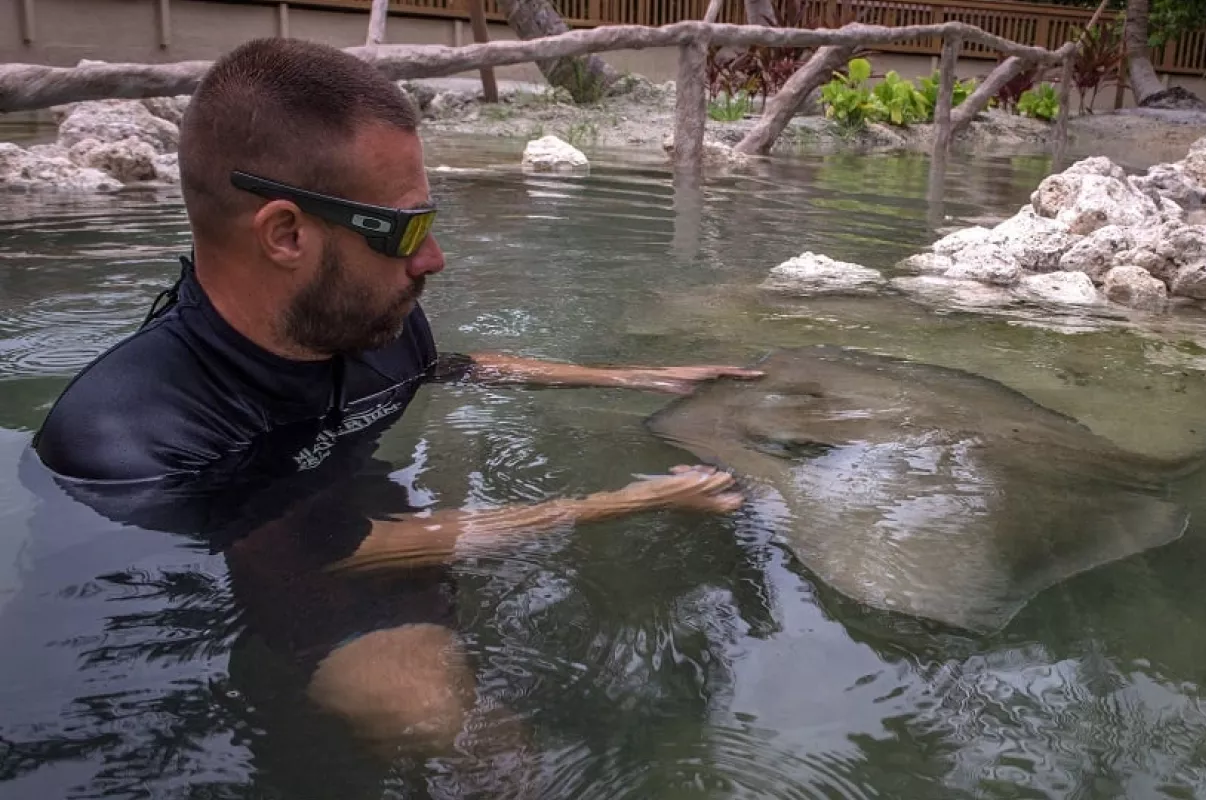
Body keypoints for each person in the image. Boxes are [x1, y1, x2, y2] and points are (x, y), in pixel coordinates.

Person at [28, 36, 761, 755]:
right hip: (282, 585)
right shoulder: (133, 438)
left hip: (363, 516)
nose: (434, 260)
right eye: (406, 229)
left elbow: (448, 368)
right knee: (456, 730)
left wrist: (633, 380)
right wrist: (635, 500)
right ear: (285, 234)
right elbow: (333, 554)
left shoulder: (369, 314)